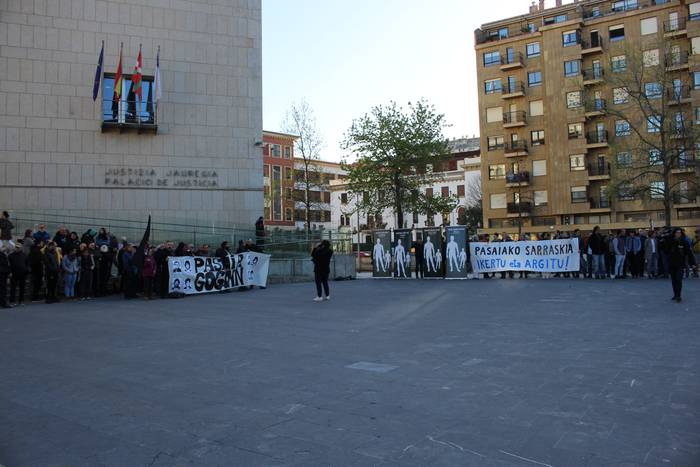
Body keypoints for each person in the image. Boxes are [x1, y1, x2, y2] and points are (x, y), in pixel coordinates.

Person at [668, 228, 698, 302]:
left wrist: (693, 263)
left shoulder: (684, 242)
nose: (678, 234)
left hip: (680, 264)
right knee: (674, 280)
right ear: (674, 233)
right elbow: (665, 249)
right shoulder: (670, 241)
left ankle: (678, 296)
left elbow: (689, 253)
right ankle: (675, 294)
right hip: (672, 264)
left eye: (679, 233)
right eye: (677, 232)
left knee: (678, 279)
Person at [0, 241, 11, 308]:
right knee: (3, 288)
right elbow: (5, 265)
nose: (5, 249)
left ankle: (3, 302)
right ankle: (3, 303)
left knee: (3, 288)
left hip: (3, 273)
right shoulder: (3, 255)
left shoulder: (4, 255)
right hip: (2, 273)